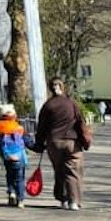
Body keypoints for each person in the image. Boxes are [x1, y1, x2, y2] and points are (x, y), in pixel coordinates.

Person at [36, 78, 90, 211]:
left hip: (54, 142)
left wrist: (39, 143)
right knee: (73, 172)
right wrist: (85, 140)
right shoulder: (72, 104)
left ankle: (63, 199)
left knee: (59, 170)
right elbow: (80, 122)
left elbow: (42, 126)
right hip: (72, 142)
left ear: (50, 88)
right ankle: (74, 201)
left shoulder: (48, 105)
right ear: (62, 87)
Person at [0, 104, 28, 207]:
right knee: (19, 178)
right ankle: (20, 200)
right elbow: (27, 141)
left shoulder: (1, 130)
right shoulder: (19, 128)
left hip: (7, 156)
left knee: (10, 175)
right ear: (14, 116)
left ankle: (11, 192)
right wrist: (37, 147)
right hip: (19, 156)